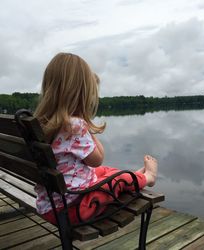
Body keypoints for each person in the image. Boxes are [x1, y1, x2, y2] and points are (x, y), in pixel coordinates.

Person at [34, 52, 158, 224]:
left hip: (49, 203)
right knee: (117, 178)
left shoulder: (40, 124)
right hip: (72, 207)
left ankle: (135, 177)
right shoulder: (74, 125)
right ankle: (148, 177)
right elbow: (97, 159)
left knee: (107, 171)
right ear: (81, 94)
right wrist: (88, 128)